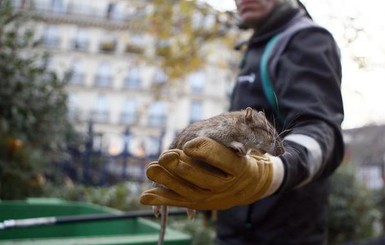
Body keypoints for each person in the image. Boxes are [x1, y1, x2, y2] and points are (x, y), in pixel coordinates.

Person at [140, 0, 344, 244]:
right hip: (232, 229)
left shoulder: (306, 39)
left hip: (284, 232)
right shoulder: (254, 45)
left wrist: (273, 172)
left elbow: (320, 131)